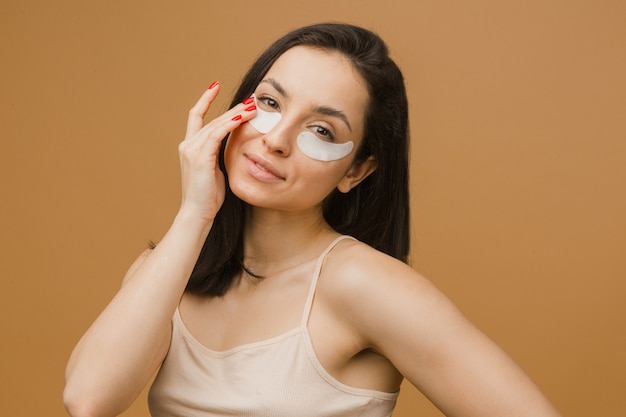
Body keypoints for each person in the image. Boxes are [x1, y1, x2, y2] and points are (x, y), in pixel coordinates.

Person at [63, 23, 561, 417]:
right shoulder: (167, 268)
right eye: (270, 103)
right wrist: (196, 212)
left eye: (321, 129)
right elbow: (89, 401)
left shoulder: (366, 284)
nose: (276, 138)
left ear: (357, 171)